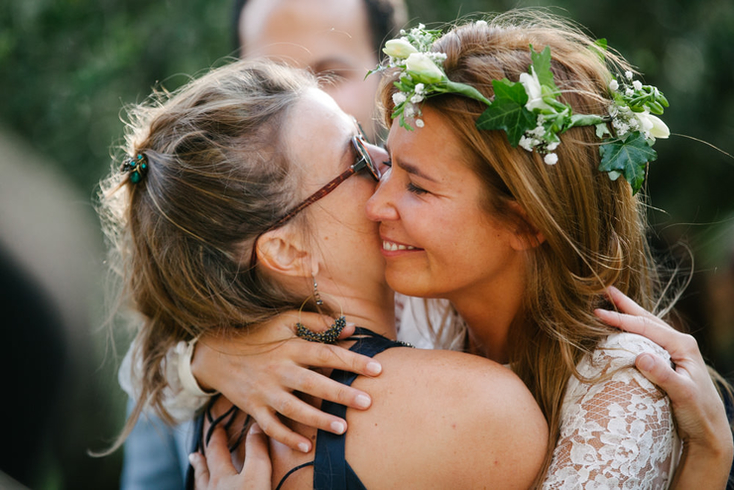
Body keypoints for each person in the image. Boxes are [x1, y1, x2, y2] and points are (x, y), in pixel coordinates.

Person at [185, 11, 733, 488]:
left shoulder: (621, 393)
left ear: (524, 223)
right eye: (387, 163)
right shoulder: (416, 293)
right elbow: (152, 371)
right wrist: (215, 358)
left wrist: (706, 472)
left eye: (417, 187)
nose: (377, 202)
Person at [106, 59, 548, 488]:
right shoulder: (479, 411)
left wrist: (211, 359)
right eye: (355, 155)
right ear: (287, 249)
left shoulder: (224, 408)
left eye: (364, 135)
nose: (385, 158)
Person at [119, 1, 409, 487]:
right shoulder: (190, 344)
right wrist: (210, 358)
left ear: (386, 74)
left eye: (330, 72)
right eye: (271, 71)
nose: (293, 96)